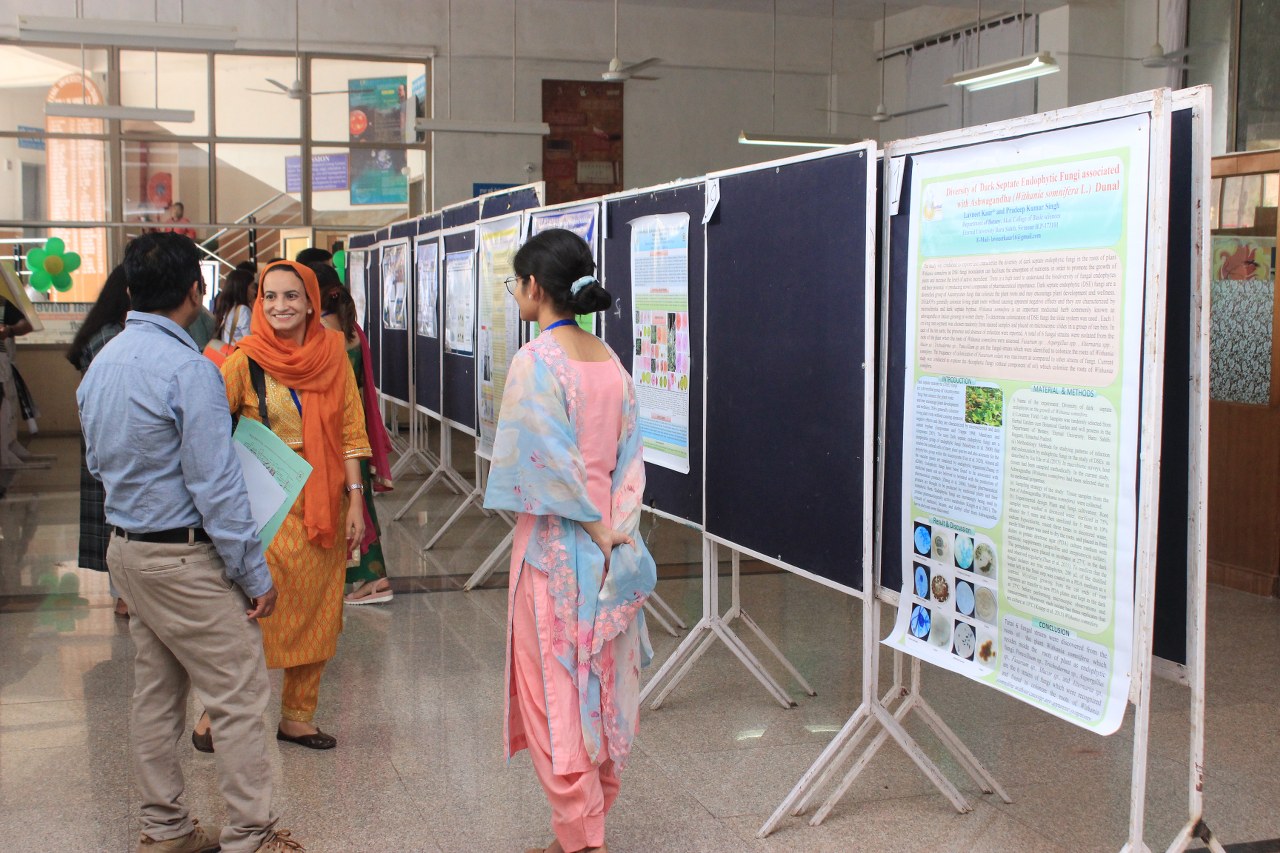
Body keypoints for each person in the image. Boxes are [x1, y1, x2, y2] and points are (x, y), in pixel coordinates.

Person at [76, 232, 302, 853]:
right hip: (182, 558)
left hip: (128, 552)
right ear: (195, 291)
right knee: (239, 694)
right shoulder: (189, 370)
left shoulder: (103, 363)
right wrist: (254, 574)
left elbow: (97, 463)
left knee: (156, 694)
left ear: (129, 292)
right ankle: (251, 835)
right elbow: (216, 486)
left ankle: (165, 828)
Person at [483, 229, 656, 853]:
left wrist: (591, 527)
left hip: (557, 551)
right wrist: (615, 530)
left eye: (516, 283)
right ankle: (588, 824)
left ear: (535, 287)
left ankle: (581, 837)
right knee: (602, 684)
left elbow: (545, 466)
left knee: (553, 691)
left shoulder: (536, 361)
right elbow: (631, 459)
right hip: (613, 548)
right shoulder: (610, 360)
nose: (517, 294)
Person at [195, 260, 370, 752]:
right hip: (265, 508)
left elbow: (350, 431)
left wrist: (356, 500)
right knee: (256, 612)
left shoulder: (333, 354)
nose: (279, 306)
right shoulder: (244, 360)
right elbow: (210, 427)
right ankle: (217, 711)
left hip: (324, 503)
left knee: (318, 611)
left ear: (312, 302)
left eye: (291, 296)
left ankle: (297, 716)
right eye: (269, 296)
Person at [314, 263, 394, 604]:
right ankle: (372, 577)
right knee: (360, 503)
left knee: (339, 503)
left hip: (333, 432)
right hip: (355, 428)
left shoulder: (320, 332)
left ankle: (371, 579)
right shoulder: (351, 329)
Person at [66, 266, 131, 617]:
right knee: (114, 515)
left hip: (106, 439)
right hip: (112, 440)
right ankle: (123, 595)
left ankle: (123, 593)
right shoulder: (110, 338)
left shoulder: (106, 333)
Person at [214, 262, 258, 345]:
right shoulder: (243, 310)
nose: (255, 292)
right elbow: (250, 340)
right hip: (238, 351)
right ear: (243, 289)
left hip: (227, 350)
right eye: (252, 287)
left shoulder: (228, 307)